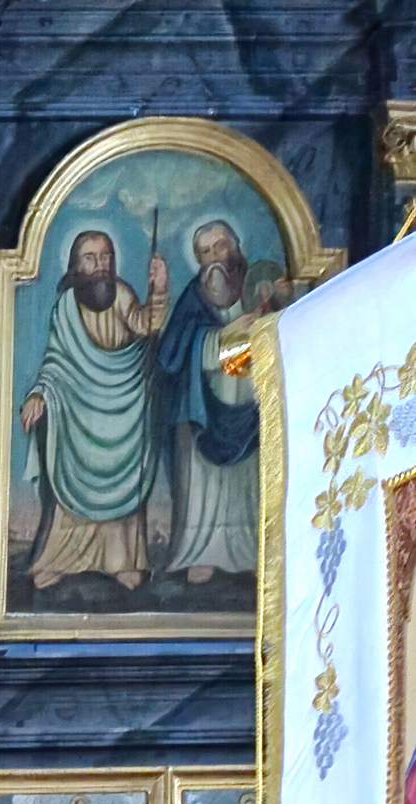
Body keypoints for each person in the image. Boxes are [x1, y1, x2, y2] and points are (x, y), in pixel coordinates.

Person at [21, 224, 171, 592]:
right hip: (78, 413)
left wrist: (161, 287)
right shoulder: (65, 310)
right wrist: (40, 393)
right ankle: (60, 558)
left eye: (106, 257)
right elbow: (56, 361)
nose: (101, 265)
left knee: (123, 490)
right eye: (91, 258)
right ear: (76, 266)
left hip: (124, 409)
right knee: (71, 483)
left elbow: (146, 325)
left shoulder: (120, 295)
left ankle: (122, 562)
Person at [157, 217, 276, 589]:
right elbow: (171, 354)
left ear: (235, 246)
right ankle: (201, 552)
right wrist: (221, 338)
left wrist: (259, 323)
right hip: (206, 405)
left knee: (249, 486)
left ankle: (249, 551)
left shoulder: (259, 287)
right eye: (204, 253)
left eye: (219, 247)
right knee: (205, 488)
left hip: (253, 406)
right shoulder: (194, 297)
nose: (213, 258)